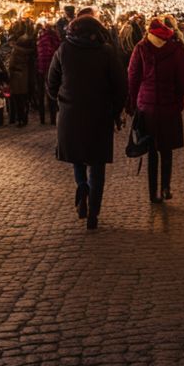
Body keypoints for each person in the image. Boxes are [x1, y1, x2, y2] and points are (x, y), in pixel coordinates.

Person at [47, 13, 127, 231]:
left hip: (71, 113)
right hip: (99, 114)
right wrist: (116, 110)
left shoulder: (64, 50)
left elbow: (51, 81)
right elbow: (121, 85)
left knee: (78, 158)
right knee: (97, 165)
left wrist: (61, 100)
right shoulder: (106, 52)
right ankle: (93, 211)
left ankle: (82, 187)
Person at [128, 17, 184, 203]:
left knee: (151, 150)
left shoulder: (141, 47)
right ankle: (165, 187)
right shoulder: (175, 48)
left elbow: (133, 76)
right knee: (166, 149)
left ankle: (152, 192)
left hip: (147, 106)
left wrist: (132, 102)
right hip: (169, 105)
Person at [6, 20, 37, 127]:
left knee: (17, 99)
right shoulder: (30, 47)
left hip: (17, 76)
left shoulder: (17, 50)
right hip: (26, 75)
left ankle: (20, 119)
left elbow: (12, 63)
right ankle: (24, 118)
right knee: (24, 98)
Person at [35, 20, 62, 125]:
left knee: (41, 95)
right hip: (53, 69)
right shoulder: (56, 38)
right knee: (52, 94)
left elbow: (42, 55)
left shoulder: (42, 38)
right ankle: (52, 118)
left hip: (42, 69)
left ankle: (42, 119)